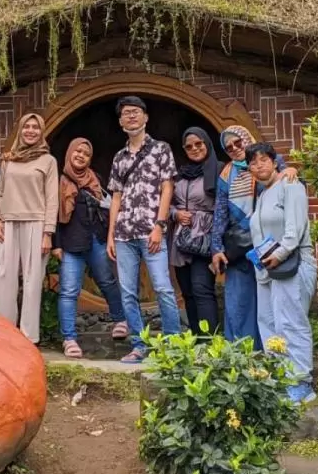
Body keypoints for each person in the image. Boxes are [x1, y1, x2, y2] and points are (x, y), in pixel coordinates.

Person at [106, 96, 181, 363]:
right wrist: (110, 236)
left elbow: (167, 187)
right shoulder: (119, 157)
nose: (131, 117)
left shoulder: (161, 149)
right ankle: (139, 345)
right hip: (124, 233)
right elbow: (115, 196)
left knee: (162, 287)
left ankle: (172, 345)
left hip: (151, 231)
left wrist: (160, 225)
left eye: (136, 112)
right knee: (127, 292)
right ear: (120, 121)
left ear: (146, 117)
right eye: (126, 113)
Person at [210, 125, 295, 348]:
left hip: (269, 243)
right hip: (240, 248)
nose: (235, 149)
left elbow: (289, 187)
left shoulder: (268, 162)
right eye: (229, 148)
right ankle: (240, 357)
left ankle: (273, 354)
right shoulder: (226, 174)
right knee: (239, 302)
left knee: (270, 302)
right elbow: (220, 213)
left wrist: (291, 171)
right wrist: (216, 249)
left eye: (238, 142)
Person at [245, 142, 317, 404]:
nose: (259, 165)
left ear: (275, 162)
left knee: (291, 323)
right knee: (269, 323)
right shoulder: (263, 195)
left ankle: (301, 382)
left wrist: (279, 254)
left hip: (291, 264)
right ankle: (279, 378)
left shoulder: (290, 186)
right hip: (267, 270)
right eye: (253, 162)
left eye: (264, 160)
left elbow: (294, 230)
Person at [52, 138, 127, 358]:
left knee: (108, 282)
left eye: (86, 153)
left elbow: (108, 207)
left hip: (96, 240)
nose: (81, 155)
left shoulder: (97, 179)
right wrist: (56, 244)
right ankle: (69, 338)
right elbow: (53, 213)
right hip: (70, 242)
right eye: (77, 151)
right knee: (68, 291)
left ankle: (120, 320)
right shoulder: (59, 181)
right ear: (69, 153)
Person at [0, 112, 59, 343]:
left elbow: (52, 198)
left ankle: (28, 337)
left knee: (32, 281)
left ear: (41, 132)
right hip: (7, 222)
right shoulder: (8, 160)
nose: (31, 131)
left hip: (36, 223)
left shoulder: (48, 161)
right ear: (20, 130)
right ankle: (7, 334)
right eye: (26, 127)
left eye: (36, 127)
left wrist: (48, 232)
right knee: (2, 276)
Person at [170, 127, 219, 337]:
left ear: (207, 143)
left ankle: (210, 342)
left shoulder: (219, 170)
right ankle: (196, 339)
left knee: (202, 289)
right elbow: (167, 203)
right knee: (188, 292)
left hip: (205, 237)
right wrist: (176, 214)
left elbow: (224, 205)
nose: (194, 149)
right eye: (189, 146)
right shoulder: (179, 175)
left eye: (198, 144)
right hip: (181, 239)